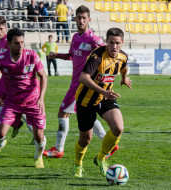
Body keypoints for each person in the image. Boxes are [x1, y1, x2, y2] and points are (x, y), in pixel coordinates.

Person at [44, 5, 118, 159]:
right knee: (85, 114)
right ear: (75, 19)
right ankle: (109, 144)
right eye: (79, 17)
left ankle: (58, 149)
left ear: (89, 19)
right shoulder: (75, 37)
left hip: (82, 84)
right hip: (75, 83)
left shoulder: (93, 38)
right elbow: (72, 55)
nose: (82, 20)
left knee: (63, 113)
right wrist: (56, 55)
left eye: (84, 18)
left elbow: (108, 51)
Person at [73, 28, 132, 178]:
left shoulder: (122, 56)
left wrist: (124, 79)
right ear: (106, 42)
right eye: (111, 42)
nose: (114, 46)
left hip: (106, 97)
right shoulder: (97, 56)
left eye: (117, 43)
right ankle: (78, 163)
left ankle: (100, 158)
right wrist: (103, 91)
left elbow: (124, 67)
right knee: (85, 139)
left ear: (122, 43)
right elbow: (83, 78)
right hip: (86, 100)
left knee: (118, 128)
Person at [0, 28, 48, 168]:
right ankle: (0, 145)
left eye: (22, 42)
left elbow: (43, 76)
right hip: (12, 102)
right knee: (0, 133)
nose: (20, 46)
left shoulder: (31, 56)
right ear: (8, 44)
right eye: (16, 43)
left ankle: (38, 157)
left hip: (33, 101)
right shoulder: (1, 59)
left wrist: (41, 98)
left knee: (39, 136)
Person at [0, 16, 33, 142]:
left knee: (19, 107)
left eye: (1, 29)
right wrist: (0, 70)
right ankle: (14, 121)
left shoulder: (10, 41)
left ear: (6, 28)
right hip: (5, 79)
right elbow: (1, 57)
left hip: (15, 80)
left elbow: (18, 58)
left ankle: (31, 131)